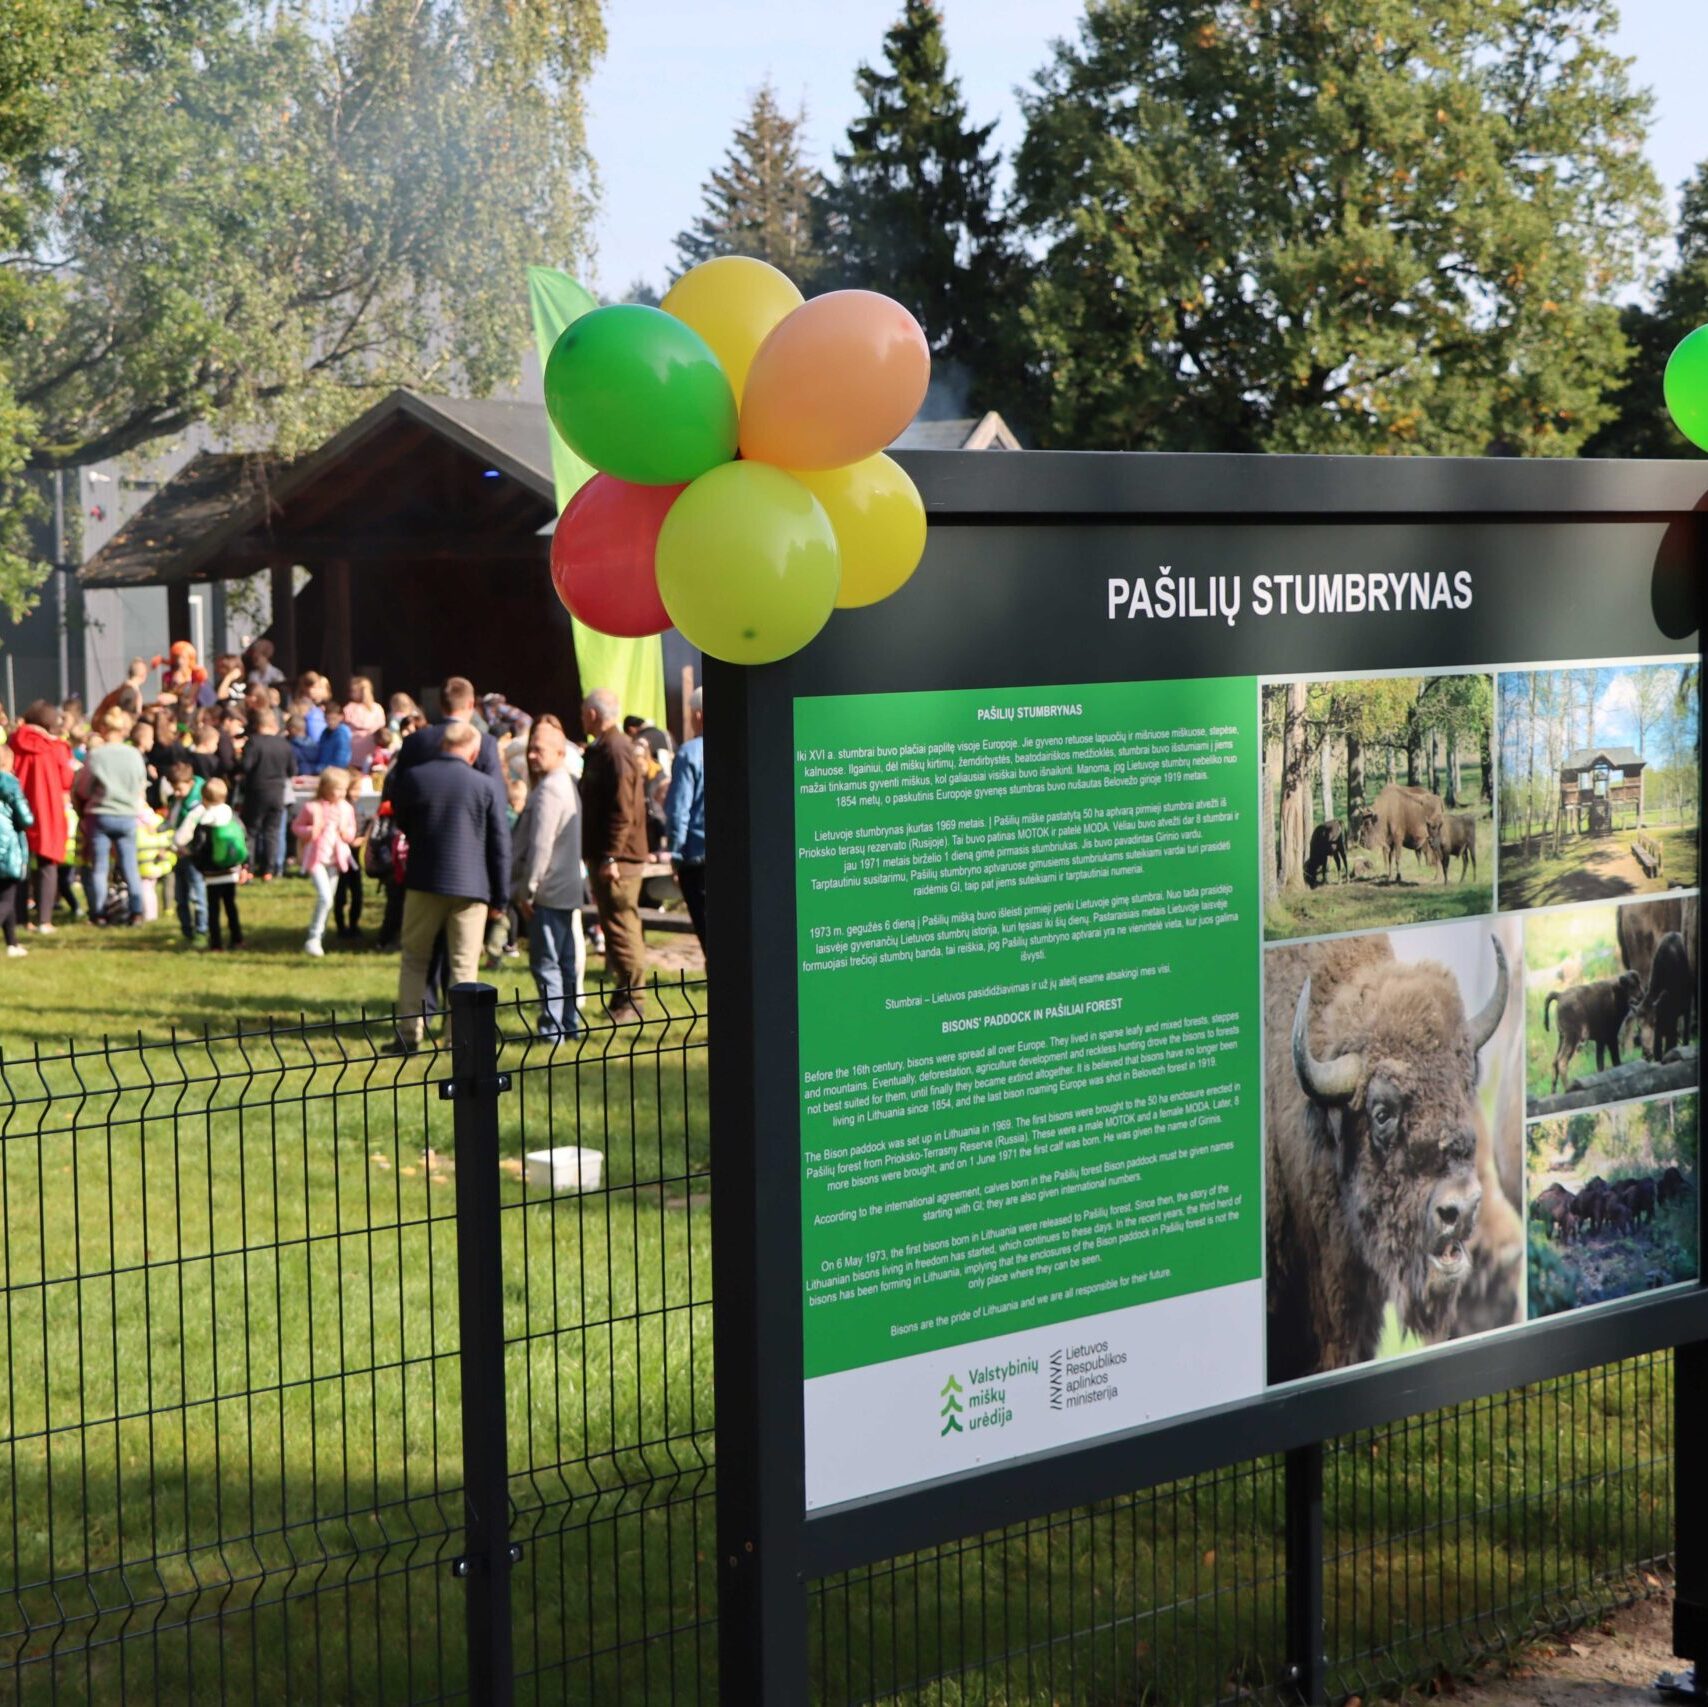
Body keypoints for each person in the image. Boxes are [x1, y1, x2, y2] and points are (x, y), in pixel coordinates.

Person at [387, 720, 510, 1052]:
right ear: (471, 750)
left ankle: (410, 1034)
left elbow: (403, 820)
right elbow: (499, 843)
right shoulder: (484, 785)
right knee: (464, 964)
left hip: (423, 880)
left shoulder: (414, 778)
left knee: (414, 959)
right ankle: (460, 1039)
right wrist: (501, 895)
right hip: (472, 887)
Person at [579, 688, 650, 1023]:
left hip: (618, 859)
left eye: (583, 712)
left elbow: (622, 810)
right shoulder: (606, 747)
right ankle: (623, 995)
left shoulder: (615, 750)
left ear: (593, 714)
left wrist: (610, 856)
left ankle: (634, 1001)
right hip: (612, 855)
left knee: (622, 927)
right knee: (615, 925)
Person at [510, 719, 583, 1041]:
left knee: (548, 963)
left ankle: (552, 1029)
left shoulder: (549, 790)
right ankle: (569, 1025)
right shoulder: (565, 783)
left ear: (558, 752)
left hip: (548, 890)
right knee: (565, 962)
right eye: (530, 749)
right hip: (566, 888)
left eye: (539, 750)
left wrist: (528, 890)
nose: (532, 755)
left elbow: (541, 844)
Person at [74, 709, 149, 925]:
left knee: (100, 867)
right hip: (127, 814)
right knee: (130, 865)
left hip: (100, 814)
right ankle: (136, 911)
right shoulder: (134, 755)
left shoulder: (97, 755)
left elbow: (84, 788)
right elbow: (140, 785)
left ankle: (98, 913)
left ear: (104, 729)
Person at [8, 700, 74, 932]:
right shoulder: (56, 748)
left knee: (19, 862)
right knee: (47, 863)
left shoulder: (14, 741)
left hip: (17, 805)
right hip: (48, 808)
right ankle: (44, 919)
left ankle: (19, 916)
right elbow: (67, 779)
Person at [291, 766, 357, 956]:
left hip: (335, 859)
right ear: (326, 788)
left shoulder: (346, 809)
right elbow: (297, 827)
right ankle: (314, 937)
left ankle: (320, 934)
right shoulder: (312, 808)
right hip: (316, 858)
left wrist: (347, 834)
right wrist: (311, 830)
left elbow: (351, 830)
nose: (342, 793)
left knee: (329, 900)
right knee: (325, 897)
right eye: (338, 789)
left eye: (344, 789)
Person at [391, 676, 504, 786]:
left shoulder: (414, 740)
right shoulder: (485, 743)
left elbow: (397, 788)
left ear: (440, 705)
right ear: (471, 704)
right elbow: (496, 793)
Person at [664, 687, 706, 955]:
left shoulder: (689, 753)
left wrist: (675, 854)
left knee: (708, 933)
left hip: (697, 858)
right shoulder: (742, 746)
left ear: (698, 715)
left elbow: (679, 809)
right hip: (736, 856)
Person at [241, 709, 294, 880]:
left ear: (258, 725)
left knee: (251, 830)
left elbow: (246, 766)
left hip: (256, 791)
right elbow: (293, 770)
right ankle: (269, 870)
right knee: (272, 831)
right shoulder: (284, 744)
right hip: (278, 791)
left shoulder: (254, 742)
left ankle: (248, 866)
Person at [193, 778, 246, 951]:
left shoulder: (205, 820)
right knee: (231, 905)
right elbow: (243, 838)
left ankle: (216, 943)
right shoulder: (232, 817)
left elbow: (199, 846)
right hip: (231, 870)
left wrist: (199, 865)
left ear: (204, 798)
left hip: (212, 872)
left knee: (213, 908)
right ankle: (237, 938)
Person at [163, 761, 207, 942]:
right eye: (174, 789)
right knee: (180, 896)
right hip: (178, 853)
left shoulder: (198, 803)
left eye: (180, 789)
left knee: (197, 893)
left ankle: (202, 930)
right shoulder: (177, 799)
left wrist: (179, 847)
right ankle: (186, 931)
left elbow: (191, 831)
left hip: (193, 854)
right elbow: (171, 821)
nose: (177, 793)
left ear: (190, 783)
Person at [0, 740, 35, 957]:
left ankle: (12, 943)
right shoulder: (10, 784)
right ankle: (12, 943)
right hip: (7, 847)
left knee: (6, 898)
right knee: (6, 898)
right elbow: (25, 817)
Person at [334, 771, 367, 938]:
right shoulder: (342, 807)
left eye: (359, 789)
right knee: (340, 894)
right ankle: (341, 927)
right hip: (341, 856)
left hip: (354, 856)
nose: (356, 793)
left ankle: (354, 925)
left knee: (357, 893)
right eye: (354, 789)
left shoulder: (358, 806)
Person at [344, 677, 385, 771]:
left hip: (352, 755)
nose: (350, 693)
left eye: (352, 691)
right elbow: (381, 728)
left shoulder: (349, 708)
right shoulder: (377, 709)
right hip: (372, 753)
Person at [313, 701, 352, 772]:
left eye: (334, 719)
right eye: (328, 719)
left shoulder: (342, 734)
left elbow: (341, 762)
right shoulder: (325, 732)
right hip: (323, 771)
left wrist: (319, 769)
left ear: (341, 717)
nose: (331, 722)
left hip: (334, 774)